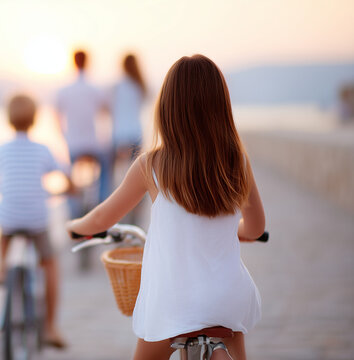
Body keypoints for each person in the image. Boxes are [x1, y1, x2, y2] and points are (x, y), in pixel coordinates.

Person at [67, 55, 265, 360]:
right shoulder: (237, 161)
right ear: (221, 106)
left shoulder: (151, 164)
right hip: (228, 298)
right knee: (234, 338)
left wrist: (76, 227)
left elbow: (103, 217)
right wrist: (237, 231)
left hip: (174, 302)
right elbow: (255, 228)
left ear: (167, 107)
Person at [0, 94, 69, 348]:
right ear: (34, 119)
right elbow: (64, 173)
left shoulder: (1, 149)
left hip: (9, 217)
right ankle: (51, 327)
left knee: (4, 225)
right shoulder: (42, 149)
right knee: (51, 263)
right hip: (36, 219)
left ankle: (0, 266)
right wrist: (71, 187)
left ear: (8, 119)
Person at [55, 50, 109, 216]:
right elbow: (106, 111)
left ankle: (74, 210)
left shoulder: (65, 90)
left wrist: (64, 135)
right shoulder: (94, 89)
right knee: (105, 168)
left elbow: (56, 115)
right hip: (92, 143)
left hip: (73, 144)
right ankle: (102, 203)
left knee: (69, 175)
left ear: (73, 63)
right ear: (87, 63)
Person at [109, 53, 148, 162]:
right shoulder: (140, 85)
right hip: (135, 132)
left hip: (119, 133)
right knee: (135, 167)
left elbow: (108, 107)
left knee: (113, 169)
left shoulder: (117, 86)